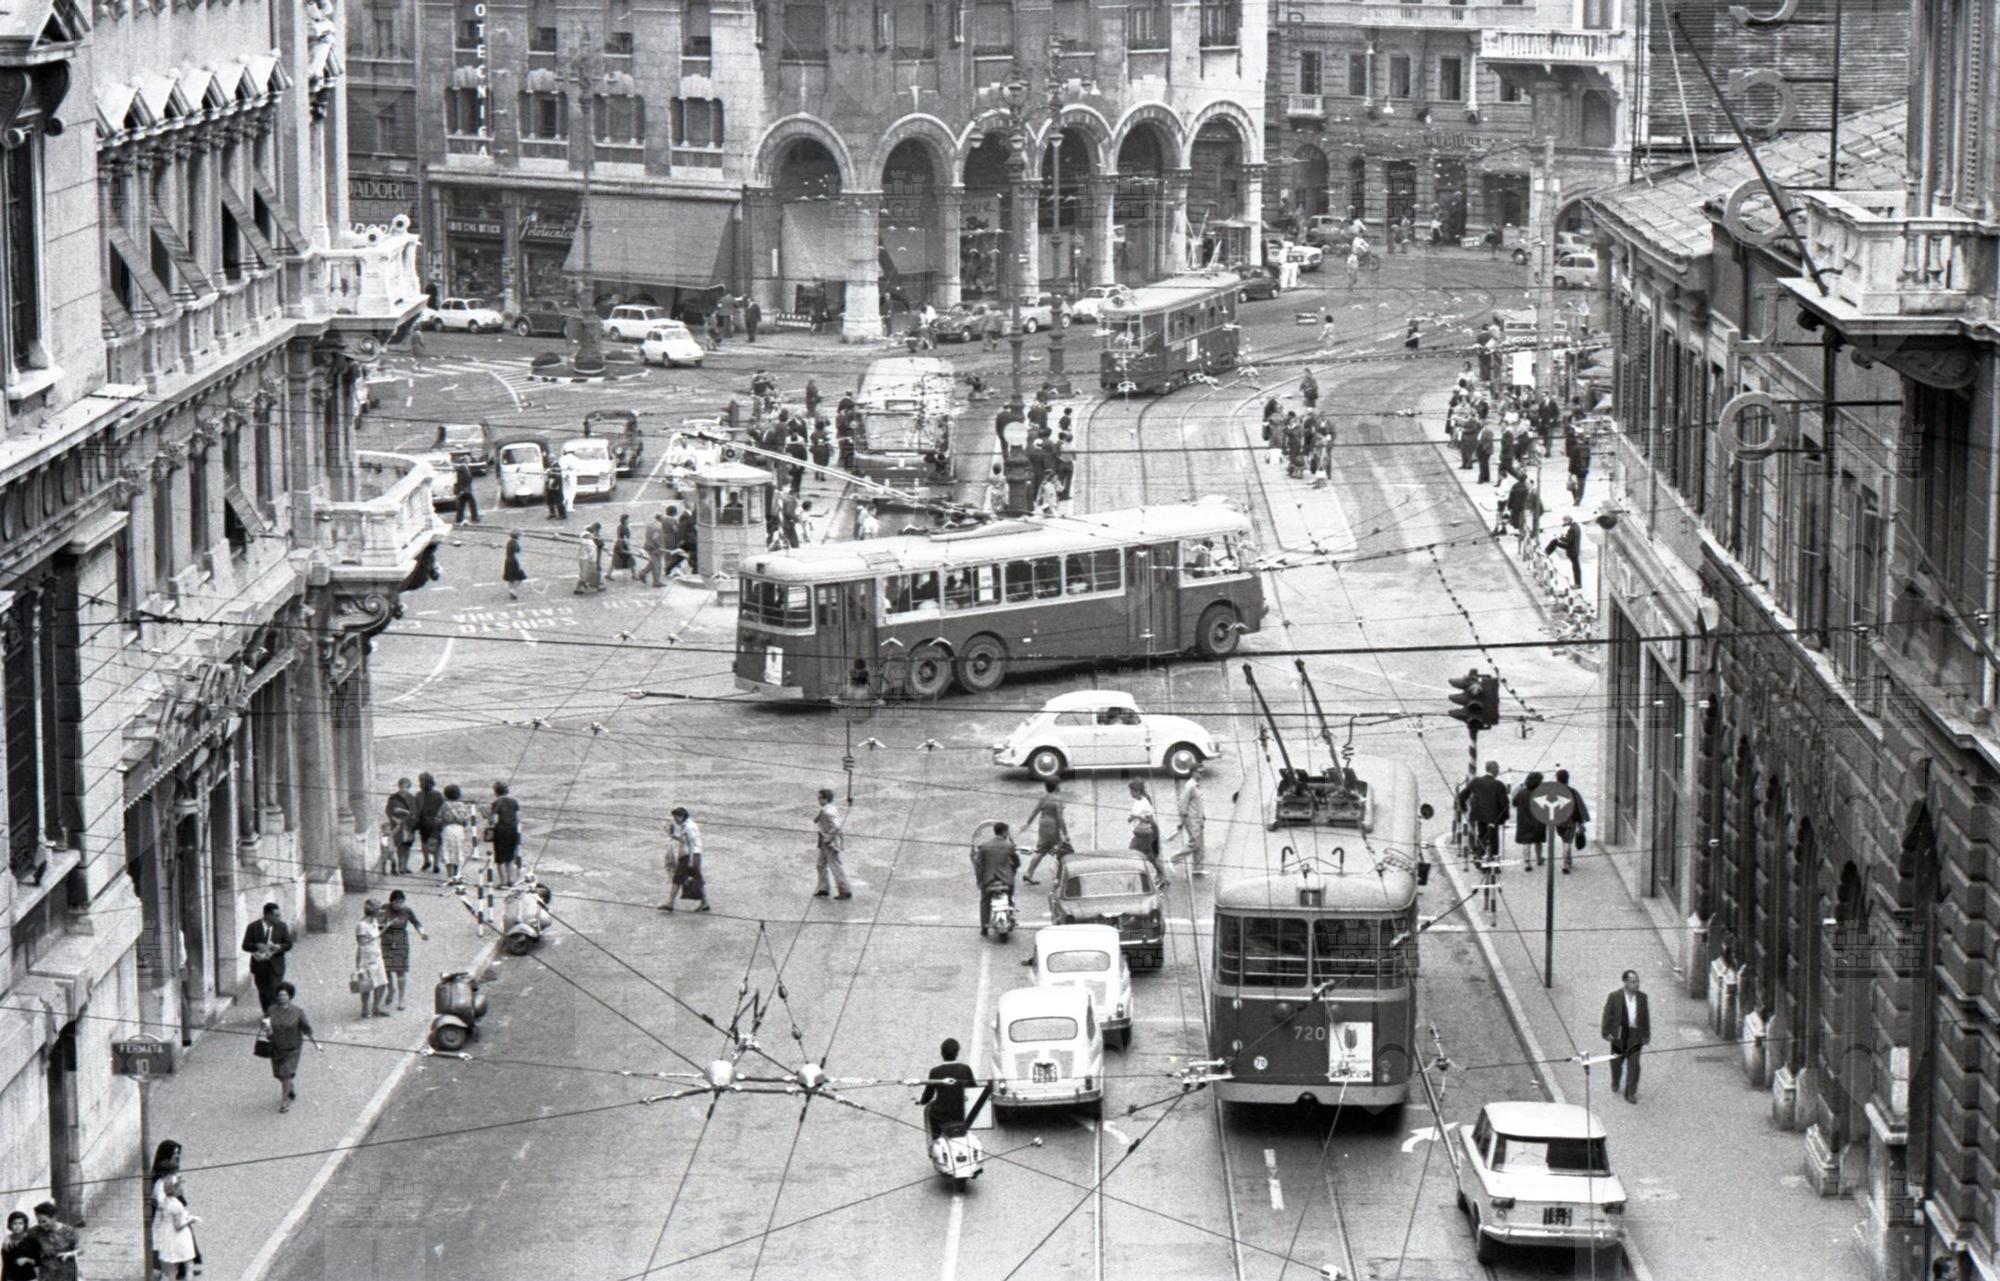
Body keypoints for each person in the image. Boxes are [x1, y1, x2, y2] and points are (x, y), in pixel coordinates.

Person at [262, 980, 323, 1113]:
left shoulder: (297, 1012)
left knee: (285, 1073)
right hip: (276, 1047)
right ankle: (289, 1086)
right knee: (279, 1074)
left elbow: (307, 1029)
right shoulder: (271, 1010)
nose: (282, 997)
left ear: (290, 996)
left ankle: (285, 1102)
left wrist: (316, 1043)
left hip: (292, 1048)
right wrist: (267, 1028)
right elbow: (266, 1024)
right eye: (280, 995)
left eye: (284, 995)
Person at [1599, 969, 1650, 1103]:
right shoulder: (1614, 997)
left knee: (1634, 1065)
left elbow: (1645, 1017)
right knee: (1616, 1062)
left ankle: (1630, 1092)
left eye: (1637, 981)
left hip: (1635, 1035)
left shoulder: (1642, 998)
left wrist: (1646, 1035)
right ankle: (1615, 1080)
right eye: (1633, 982)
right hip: (1620, 1035)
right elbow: (1607, 1015)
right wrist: (1606, 1032)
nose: (1637, 984)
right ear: (1625, 982)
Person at [919, 1038, 978, 1143]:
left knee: (929, 1110)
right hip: (961, 1113)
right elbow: (974, 1090)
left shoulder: (935, 1072)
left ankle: (935, 1141)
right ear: (957, 1053)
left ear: (942, 1053)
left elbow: (928, 1095)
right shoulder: (965, 1069)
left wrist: (921, 1101)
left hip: (941, 1116)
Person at [378, 889, 428, 1011]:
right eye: (397, 902)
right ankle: (390, 990)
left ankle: (401, 999)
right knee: (386, 970)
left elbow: (416, 923)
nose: (399, 905)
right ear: (391, 902)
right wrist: (386, 924)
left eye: (401, 902)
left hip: (401, 942)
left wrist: (422, 933)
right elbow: (378, 925)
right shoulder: (384, 908)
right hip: (387, 942)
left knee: (400, 972)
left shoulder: (407, 910)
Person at [1456, 759, 1510, 871]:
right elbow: (1504, 804)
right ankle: (1493, 865)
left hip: (1479, 816)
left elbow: (1462, 795)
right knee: (1494, 840)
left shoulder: (1476, 781)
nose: (1498, 771)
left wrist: (1463, 808)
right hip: (1493, 818)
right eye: (1497, 769)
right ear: (1494, 770)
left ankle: (1480, 858)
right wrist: (1504, 818)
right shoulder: (1499, 785)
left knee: (1482, 836)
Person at [241, 901, 293, 1013]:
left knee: (275, 991)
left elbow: (289, 944)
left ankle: (274, 1015)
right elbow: (245, 945)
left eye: (279, 915)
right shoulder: (253, 927)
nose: (279, 918)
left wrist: (279, 947)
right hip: (259, 966)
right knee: (263, 992)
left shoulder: (282, 926)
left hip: (276, 966)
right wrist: (256, 946)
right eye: (276, 915)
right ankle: (267, 1013)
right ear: (268, 915)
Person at [972, 821, 1019, 936]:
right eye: (1007, 832)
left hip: (989, 881)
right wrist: (1012, 871)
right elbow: (1017, 862)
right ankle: (1010, 913)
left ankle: (984, 926)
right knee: (1010, 895)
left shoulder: (984, 846)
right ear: (1004, 832)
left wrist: (979, 880)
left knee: (985, 901)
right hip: (1006, 880)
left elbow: (979, 866)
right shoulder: (1009, 846)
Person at [1019, 780, 1069, 884]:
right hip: (1053, 827)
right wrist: (1065, 833)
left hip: (1043, 826)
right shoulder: (1057, 799)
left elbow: (1035, 811)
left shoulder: (1043, 798)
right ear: (1056, 787)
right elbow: (1060, 818)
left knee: (1041, 850)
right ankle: (1059, 876)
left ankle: (1029, 873)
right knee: (1061, 851)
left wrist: (1028, 823)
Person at [661, 806, 709, 912]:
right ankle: (704, 903)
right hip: (692, 856)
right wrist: (673, 836)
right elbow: (684, 840)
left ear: (681, 816)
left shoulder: (689, 827)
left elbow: (692, 843)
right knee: (696, 878)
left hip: (689, 856)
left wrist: (690, 860)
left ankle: (670, 903)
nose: (675, 820)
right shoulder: (687, 825)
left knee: (677, 878)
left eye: (676, 818)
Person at [813, 787, 853, 899]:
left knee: (835, 866)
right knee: (820, 864)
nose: (818, 800)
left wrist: (828, 838)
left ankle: (845, 890)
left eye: (820, 798)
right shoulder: (828, 809)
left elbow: (836, 827)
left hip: (829, 843)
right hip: (824, 841)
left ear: (825, 799)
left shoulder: (828, 811)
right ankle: (823, 888)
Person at [355, 899, 391, 1018]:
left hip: (377, 956)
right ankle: (365, 1009)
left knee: (382, 982)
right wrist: (381, 932)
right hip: (366, 958)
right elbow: (362, 943)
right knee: (366, 985)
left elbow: (380, 923)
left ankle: (376, 1008)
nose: (380, 912)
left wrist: (385, 927)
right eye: (378, 910)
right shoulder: (362, 925)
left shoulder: (374, 922)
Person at [1553, 767, 1590, 872]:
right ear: (1567, 779)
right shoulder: (1573, 792)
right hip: (1570, 820)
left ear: (1557, 779)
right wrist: (1581, 822)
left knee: (1564, 840)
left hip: (1558, 821)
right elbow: (1579, 807)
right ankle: (1565, 864)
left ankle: (1568, 860)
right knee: (1568, 842)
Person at [1127, 779, 1164, 885]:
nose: (1131, 793)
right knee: (1148, 855)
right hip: (1139, 831)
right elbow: (1135, 814)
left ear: (1137, 791)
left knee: (1135, 852)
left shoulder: (1145, 803)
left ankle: (1160, 875)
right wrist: (1131, 818)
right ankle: (1161, 875)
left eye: (1132, 791)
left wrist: (1138, 817)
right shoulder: (1137, 801)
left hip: (1146, 833)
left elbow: (1150, 820)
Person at [28, 1203, 77, 1281]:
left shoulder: (68, 1230)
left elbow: (80, 1249)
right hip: (46, 1274)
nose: (41, 1225)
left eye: (44, 1221)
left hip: (66, 1273)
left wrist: (70, 1254)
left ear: (54, 1217)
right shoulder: (35, 1232)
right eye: (39, 1222)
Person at [1511, 770, 1547, 871]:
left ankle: (1527, 863)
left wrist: (1519, 788)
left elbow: (1514, 803)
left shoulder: (1522, 793)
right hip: (1538, 821)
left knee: (1526, 842)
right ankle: (1539, 859)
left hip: (1524, 820)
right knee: (1538, 841)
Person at [488, 780, 522, 884]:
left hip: (501, 831)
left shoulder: (496, 803)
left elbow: (493, 820)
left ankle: (502, 881)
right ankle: (510, 879)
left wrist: (488, 818)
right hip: (513, 830)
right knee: (510, 857)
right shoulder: (514, 802)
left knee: (500, 858)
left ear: (495, 792)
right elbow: (518, 818)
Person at [1174, 772, 1207, 876]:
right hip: (1192, 819)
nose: (1201, 773)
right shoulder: (1190, 786)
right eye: (1199, 771)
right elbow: (1183, 803)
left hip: (1198, 818)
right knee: (1195, 842)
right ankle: (1174, 859)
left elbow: (1198, 803)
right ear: (1194, 773)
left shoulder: (1196, 785)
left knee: (1200, 844)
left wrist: (1203, 815)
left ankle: (1197, 867)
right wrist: (1182, 819)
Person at [412, 771, 445, 873]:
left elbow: (415, 810)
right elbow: (442, 808)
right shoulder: (438, 795)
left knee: (424, 842)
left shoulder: (419, 795)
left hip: (424, 822)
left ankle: (426, 861)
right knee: (437, 843)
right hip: (436, 822)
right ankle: (436, 864)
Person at [384, 777, 417, 874]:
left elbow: (414, 812)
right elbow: (388, 810)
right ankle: (400, 866)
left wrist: (407, 815)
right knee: (399, 844)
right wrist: (394, 819)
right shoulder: (393, 797)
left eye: (406, 787)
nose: (404, 789)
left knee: (407, 845)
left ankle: (405, 866)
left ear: (409, 787)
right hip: (397, 824)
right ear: (399, 786)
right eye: (402, 787)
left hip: (408, 824)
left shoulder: (411, 798)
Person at [1545, 516, 1584, 589]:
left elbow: (1568, 540)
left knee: (1576, 567)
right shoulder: (1576, 526)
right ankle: (1578, 583)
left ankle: (1546, 552)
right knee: (1576, 567)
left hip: (1571, 549)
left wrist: (1560, 537)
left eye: (1565, 521)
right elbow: (1570, 537)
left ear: (1568, 520)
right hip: (1574, 548)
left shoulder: (1572, 529)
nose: (1564, 523)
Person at [3, 1211, 39, 1281]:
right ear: (10, 1225)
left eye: (20, 1223)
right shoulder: (7, 1242)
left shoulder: (32, 1240)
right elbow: (6, 1265)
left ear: (25, 1225)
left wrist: (27, 1260)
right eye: (15, 1223)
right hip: (12, 1278)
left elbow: (38, 1261)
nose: (17, 1226)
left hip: (29, 1278)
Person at [575, 524, 605, 594]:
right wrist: (594, 561)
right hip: (587, 560)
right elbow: (591, 552)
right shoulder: (589, 541)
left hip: (584, 558)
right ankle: (578, 589)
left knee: (588, 573)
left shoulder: (586, 538)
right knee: (586, 574)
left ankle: (593, 585)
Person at [502, 529, 529, 600]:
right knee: (521, 577)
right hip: (514, 562)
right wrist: (520, 565)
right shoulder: (516, 544)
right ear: (518, 536)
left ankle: (511, 591)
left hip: (508, 561)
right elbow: (517, 555)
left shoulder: (509, 542)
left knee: (511, 578)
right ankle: (513, 591)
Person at [610, 514, 637, 580]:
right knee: (631, 560)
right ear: (625, 520)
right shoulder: (625, 528)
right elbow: (625, 539)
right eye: (628, 519)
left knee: (615, 561)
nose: (629, 520)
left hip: (618, 545)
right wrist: (629, 547)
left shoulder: (619, 527)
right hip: (623, 546)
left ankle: (608, 574)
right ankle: (634, 575)